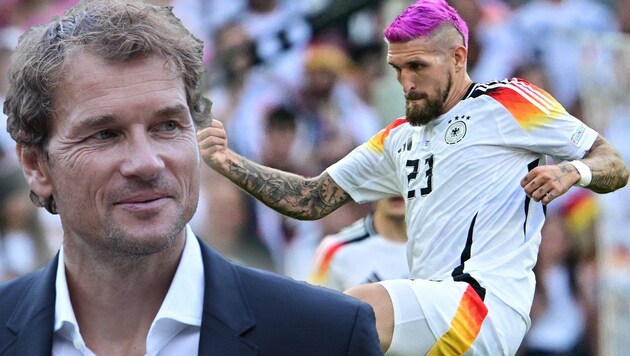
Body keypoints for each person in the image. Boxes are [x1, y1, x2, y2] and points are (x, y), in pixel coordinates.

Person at [197, 0, 630, 354]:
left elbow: (613, 161)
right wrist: (228, 162)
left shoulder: (508, 102)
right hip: (433, 320)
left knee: (354, 312)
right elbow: (311, 199)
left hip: (482, 306)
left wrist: (575, 171)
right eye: (397, 69)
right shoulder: (398, 138)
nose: (406, 82)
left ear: (458, 57)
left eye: (418, 67)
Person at [0, 1, 382, 355]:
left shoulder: (326, 336)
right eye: (105, 134)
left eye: (167, 126)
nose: (147, 163)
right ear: (36, 165)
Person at [309, 196, 408, 292]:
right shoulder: (333, 250)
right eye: (388, 179)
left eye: (407, 178)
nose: (397, 187)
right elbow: (314, 306)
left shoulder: (423, 246)